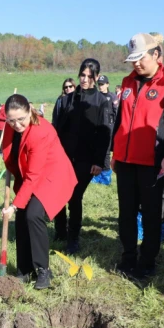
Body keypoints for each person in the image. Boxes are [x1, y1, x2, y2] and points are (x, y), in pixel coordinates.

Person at [112, 33, 164, 281]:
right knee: (126, 212)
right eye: (132, 60)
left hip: (152, 161)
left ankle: (147, 259)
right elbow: (119, 119)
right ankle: (128, 255)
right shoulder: (127, 82)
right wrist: (114, 150)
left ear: (156, 54)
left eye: (140, 58)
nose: (136, 64)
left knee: (152, 214)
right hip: (124, 159)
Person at [1, 95, 77, 289]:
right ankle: (24, 270)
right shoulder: (10, 127)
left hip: (52, 176)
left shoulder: (39, 132)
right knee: (21, 220)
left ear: (30, 112)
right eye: (11, 120)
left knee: (33, 215)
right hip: (30, 173)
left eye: (21, 119)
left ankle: (43, 270)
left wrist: (15, 205)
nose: (17, 124)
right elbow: (11, 153)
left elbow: (34, 175)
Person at [52, 59, 112, 254]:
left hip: (86, 158)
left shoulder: (101, 102)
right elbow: (58, 128)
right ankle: (60, 231)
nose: (85, 79)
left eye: (89, 76)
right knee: (59, 195)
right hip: (64, 156)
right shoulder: (68, 99)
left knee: (75, 196)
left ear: (96, 77)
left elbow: (104, 134)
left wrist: (99, 162)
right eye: (82, 75)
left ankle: (73, 238)